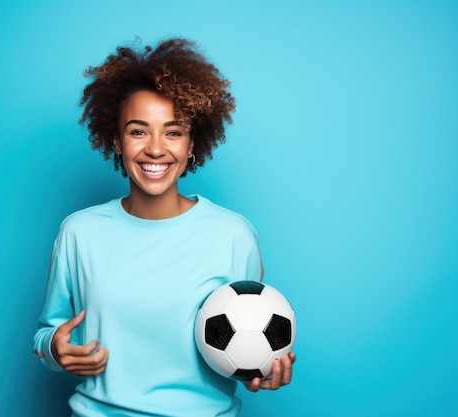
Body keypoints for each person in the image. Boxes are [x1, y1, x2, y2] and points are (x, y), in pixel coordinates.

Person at [33, 38, 295, 417]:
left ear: (192, 145)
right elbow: (47, 332)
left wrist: (263, 372)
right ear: (116, 141)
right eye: (138, 131)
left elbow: (242, 343)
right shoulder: (79, 233)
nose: (156, 149)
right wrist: (56, 351)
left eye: (173, 132)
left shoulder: (233, 235)